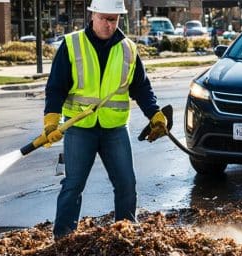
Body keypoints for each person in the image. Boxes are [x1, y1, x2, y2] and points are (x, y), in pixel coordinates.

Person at [42, 0, 168, 240]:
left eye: (114, 19)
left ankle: (125, 234)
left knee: (126, 184)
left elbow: (141, 87)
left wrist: (155, 114)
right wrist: (51, 121)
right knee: (73, 185)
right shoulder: (72, 44)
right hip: (80, 128)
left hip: (114, 128)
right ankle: (63, 239)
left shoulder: (128, 49)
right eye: (104, 18)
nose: (109, 25)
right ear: (93, 14)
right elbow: (56, 87)